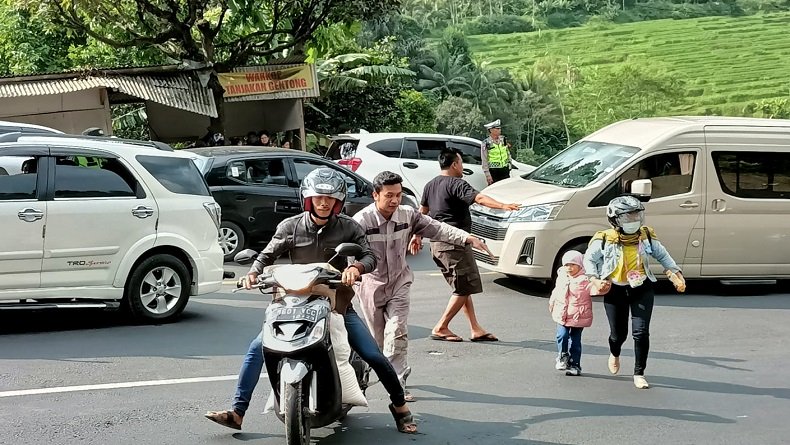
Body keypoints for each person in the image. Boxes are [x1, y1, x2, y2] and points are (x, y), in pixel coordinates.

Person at [205, 168, 417, 434]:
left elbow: (369, 256)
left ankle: (400, 408)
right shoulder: (290, 226)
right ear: (308, 198)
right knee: (257, 348)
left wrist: (356, 269)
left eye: (330, 198)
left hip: (335, 305)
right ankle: (238, 412)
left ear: (338, 202)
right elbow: (267, 255)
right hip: (292, 304)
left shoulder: (348, 226)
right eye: (319, 197)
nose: (324, 203)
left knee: (373, 354)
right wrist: (253, 273)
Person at [353, 171, 493, 400]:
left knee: (397, 332)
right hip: (370, 285)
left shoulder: (408, 215)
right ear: (375, 195)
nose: (395, 200)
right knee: (377, 342)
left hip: (399, 282)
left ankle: (397, 385)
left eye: (398, 195)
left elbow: (438, 228)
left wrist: (467, 238)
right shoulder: (361, 221)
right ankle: (362, 378)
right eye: (389, 195)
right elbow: (350, 256)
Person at [418, 147, 520, 342]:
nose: (462, 166)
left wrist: (416, 235)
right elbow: (479, 198)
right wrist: (503, 206)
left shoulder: (431, 184)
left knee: (463, 286)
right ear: (455, 164)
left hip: (437, 245)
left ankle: (475, 328)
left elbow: (422, 212)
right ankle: (441, 327)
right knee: (464, 288)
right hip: (454, 244)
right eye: (461, 162)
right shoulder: (457, 184)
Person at [583, 195, 685, 389]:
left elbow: (663, 255)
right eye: (627, 217)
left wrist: (675, 272)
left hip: (641, 288)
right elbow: (589, 259)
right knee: (618, 334)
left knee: (641, 332)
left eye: (636, 216)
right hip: (615, 290)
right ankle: (615, 353)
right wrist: (594, 278)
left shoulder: (645, 236)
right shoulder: (605, 239)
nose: (633, 221)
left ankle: (639, 373)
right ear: (615, 219)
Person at [548, 250, 592, 377]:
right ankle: (562, 356)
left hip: (578, 315)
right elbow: (556, 291)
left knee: (575, 340)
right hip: (562, 313)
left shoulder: (585, 279)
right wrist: (552, 302)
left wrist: (602, 286)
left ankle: (575, 365)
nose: (569, 268)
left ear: (580, 265)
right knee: (562, 335)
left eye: (573, 265)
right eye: (566, 265)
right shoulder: (561, 276)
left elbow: (593, 290)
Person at [481, 119, 512, 185]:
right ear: (491, 130)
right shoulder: (486, 143)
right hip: (494, 171)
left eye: (499, 128)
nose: (499, 130)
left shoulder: (503, 139)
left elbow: (507, 152)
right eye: (497, 128)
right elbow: (484, 159)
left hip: (505, 170)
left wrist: (510, 164)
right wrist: (487, 175)